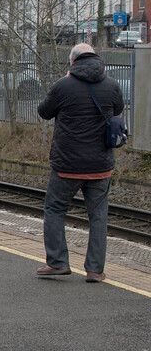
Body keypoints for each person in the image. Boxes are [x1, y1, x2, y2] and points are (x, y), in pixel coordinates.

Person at [36, 43, 124, 283]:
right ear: (95, 58)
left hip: (67, 166)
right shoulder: (112, 85)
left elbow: (43, 112)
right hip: (100, 166)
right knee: (98, 217)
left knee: (54, 210)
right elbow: (117, 111)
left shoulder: (63, 85)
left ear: (72, 62)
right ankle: (95, 270)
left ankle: (57, 263)